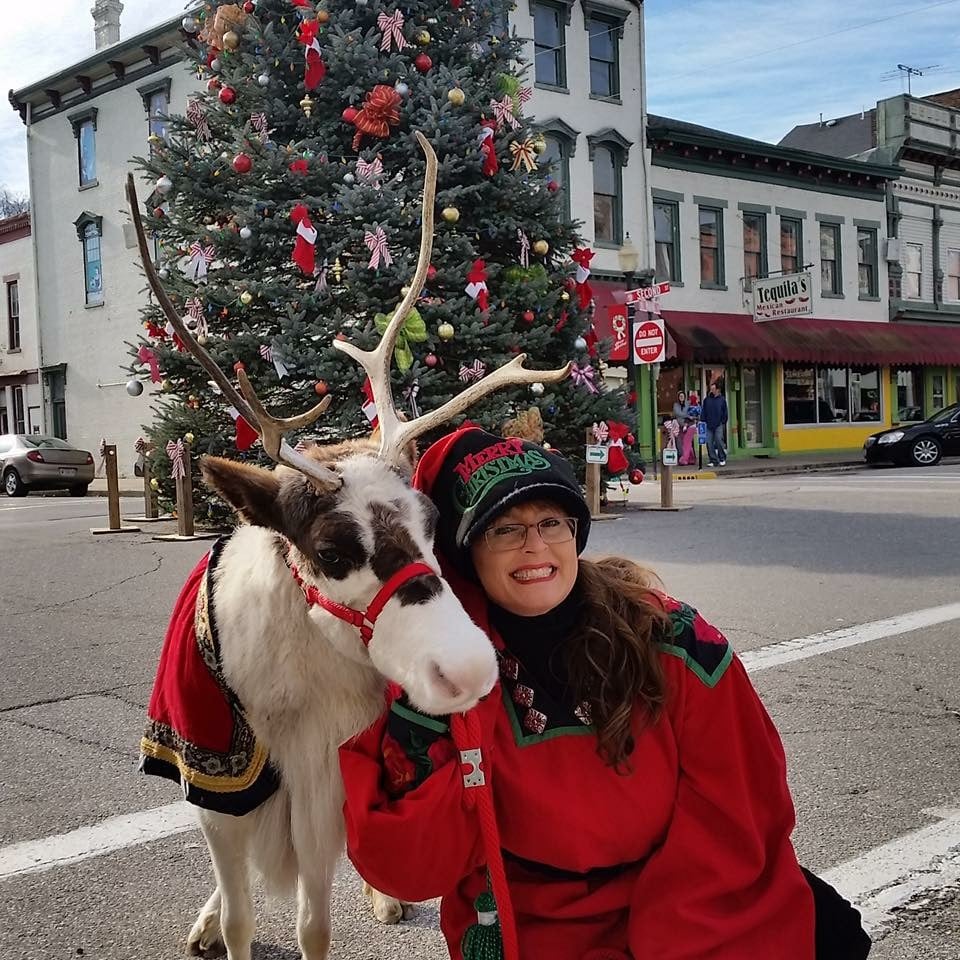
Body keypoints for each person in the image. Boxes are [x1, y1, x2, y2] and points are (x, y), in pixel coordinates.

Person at [339, 426, 870, 960]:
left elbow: (735, 818)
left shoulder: (673, 641)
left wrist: (664, 944)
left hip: (695, 909)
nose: (535, 546)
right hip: (533, 921)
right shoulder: (450, 677)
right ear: (464, 553)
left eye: (552, 522)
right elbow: (408, 869)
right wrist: (426, 711)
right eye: (503, 529)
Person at [702, 381, 728, 466]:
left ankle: (722, 458)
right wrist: (703, 420)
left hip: (718, 424)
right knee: (709, 442)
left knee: (719, 441)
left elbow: (725, 411)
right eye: (711, 388)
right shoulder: (707, 400)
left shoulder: (722, 400)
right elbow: (704, 411)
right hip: (709, 424)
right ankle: (713, 460)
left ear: (717, 390)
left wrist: (723, 421)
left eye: (713, 389)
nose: (712, 390)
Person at [671, 390, 696, 466]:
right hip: (679, 426)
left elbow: (692, 412)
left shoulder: (688, 404)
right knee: (679, 443)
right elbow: (677, 413)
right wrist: (687, 415)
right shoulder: (675, 405)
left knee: (688, 443)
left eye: (683, 396)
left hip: (687, 425)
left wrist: (687, 416)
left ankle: (691, 459)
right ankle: (681, 458)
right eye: (680, 396)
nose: (681, 397)